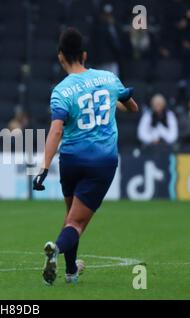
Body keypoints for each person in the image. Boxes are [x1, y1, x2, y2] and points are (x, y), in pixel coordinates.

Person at [33, 28, 138, 285]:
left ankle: (70, 272)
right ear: (85, 54)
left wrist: (44, 168)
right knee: (77, 224)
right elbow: (133, 108)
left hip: (71, 159)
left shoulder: (61, 90)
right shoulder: (108, 78)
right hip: (102, 161)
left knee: (71, 218)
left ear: (60, 57)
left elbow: (56, 129)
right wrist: (116, 102)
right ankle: (56, 249)